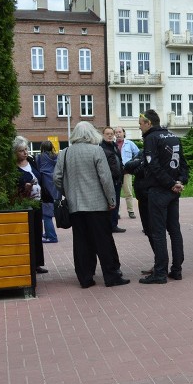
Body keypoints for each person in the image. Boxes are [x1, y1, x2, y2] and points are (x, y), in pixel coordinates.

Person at [53, 122, 128, 288]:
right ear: (91, 134)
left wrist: (68, 192)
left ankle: (85, 278)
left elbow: (56, 178)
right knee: (104, 241)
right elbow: (106, 179)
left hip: (75, 206)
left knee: (81, 242)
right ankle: (111, 276)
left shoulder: (64, 153)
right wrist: (111, 200)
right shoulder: (96, 151)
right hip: (97, 205)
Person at [136, 110, 189, 284]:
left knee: (158, 232)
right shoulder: (173, 135)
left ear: (149, 123)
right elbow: (183, 163)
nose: (139, 126)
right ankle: (177, 270)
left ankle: (160, 273)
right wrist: (180, 182)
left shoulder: (151, 138)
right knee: (174, 230)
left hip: (159, 191)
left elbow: (153, 166)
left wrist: (170, 184)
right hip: (174, 192)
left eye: (141, 123)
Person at [14, 136, 49, 274]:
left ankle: (37, 264)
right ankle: (28, 263)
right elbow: (15, 186)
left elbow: (39, 176)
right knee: (28, 234)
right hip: (25, 204)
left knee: (37, 232)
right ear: (15, 152)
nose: (25, 152)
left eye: (26, 149)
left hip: (37, 203)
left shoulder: (32, 161)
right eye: (21, 150)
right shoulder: (14, 168)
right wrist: (25, 187)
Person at [101, 126, 126, 233]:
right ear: (103, 135)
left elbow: (118, 162)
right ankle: (108, 225)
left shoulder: (115, 146)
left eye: (112, 133)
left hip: (117, 180)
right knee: (108, 204)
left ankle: (113, 225)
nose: (110, 135)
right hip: (108, 181)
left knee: (116, 203)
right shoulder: (101, 148)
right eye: (107, 134)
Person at [36, 140, 59, 244]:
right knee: (49, 210)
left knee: (46, 214)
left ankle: (51, 236)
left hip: (44, 185)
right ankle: (48, 233)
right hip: (54, 185)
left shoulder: (40, 157)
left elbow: (36, 169)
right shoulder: (56, 156)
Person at [115, 126, 140, 219]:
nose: (118, 134)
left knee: (128, 192)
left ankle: (131, 211)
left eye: (120, 132)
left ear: (123, 133)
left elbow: (138, 154)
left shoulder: (130, 144)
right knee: (116, 193)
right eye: (116, 132)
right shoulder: (113, 145)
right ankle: (116, 212)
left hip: (127, 172)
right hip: (116, 173)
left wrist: (132, 163)